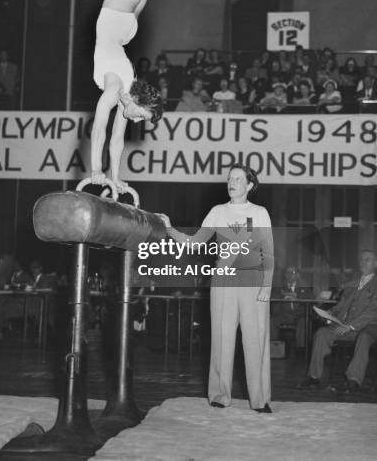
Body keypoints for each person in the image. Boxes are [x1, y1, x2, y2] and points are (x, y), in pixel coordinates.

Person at [90, 0, 192, 193]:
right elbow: (107, 134)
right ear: (138, 99)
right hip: (119, 19)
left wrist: (108, 173)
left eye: (137, 116)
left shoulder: (117, 92)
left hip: (120, 20)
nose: (134, 117)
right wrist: (103, 172)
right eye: (139, 114)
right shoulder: (122, 90)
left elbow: (106, 134)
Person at [158, 163, 274, 412]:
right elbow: (195, 243)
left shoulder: (260, 212)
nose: (232, 182)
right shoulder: (217, 211)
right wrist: (169, 229)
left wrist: (267, 286)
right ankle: (220, 395)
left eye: (238, 179)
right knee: (221, 339)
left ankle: (260, 399)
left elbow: (269, 253)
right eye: (230, 178)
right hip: (223, 282)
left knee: (256, 342)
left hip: (253, 283)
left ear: (250, 185)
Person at [299, 250, 377, 392]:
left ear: (376, 263)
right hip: (345, 326)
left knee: (364, 337)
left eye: (368, 259)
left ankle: (353, 380)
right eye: (361, 260)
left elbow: (372, 311)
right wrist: (330, 313)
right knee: (321, 333)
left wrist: (350, 326)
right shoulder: (352, 284)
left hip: (370, 328)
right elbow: (342, 305)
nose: (363, 262)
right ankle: (314, 377)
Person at [271, 266, 311, 349]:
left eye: (292, 273)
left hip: (298, 315)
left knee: (303, 321)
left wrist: (297, 296)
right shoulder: (280, 286)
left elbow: (310, 297)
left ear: (297, 275)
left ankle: (301, 350)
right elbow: (273, 296)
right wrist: (283, 296)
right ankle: (273, 348)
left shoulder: (304, 285)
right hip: (283, 314)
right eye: (287, 272)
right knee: (271, 320)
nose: (289, 275)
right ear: (285, 275)